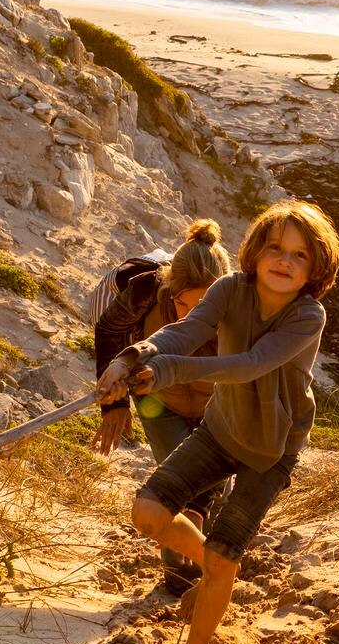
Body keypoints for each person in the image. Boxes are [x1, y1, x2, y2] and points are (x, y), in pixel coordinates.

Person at [98, 199, 339, 644]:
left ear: (315, 268)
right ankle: (212, 555)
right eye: (276, 247)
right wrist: (133, 357)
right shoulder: (230, 289)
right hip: (220, 430)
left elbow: (249, 364)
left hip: (270, 452)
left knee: (222, 562)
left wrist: (165, 369)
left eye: (299, 255)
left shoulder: (307, 316)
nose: (285, 261)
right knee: (148, 512)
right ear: (254, 252)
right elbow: (185, 331)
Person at [89, 220, 232, 594]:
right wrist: (113, 405)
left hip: (218, 403)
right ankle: (181, 583)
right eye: (184, 303)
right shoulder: (147, 291)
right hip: (158, 400)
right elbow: (108, 332)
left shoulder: (240, 305)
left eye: (205, 307)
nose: (192, 318)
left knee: (212, 494)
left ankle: (206, 568)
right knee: (178, 482)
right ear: (170, 288)